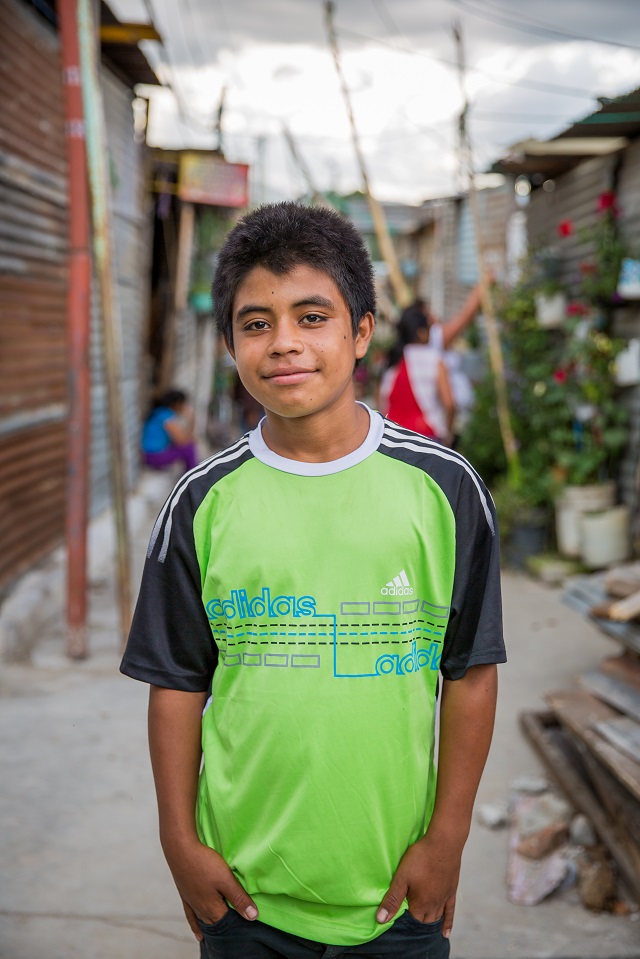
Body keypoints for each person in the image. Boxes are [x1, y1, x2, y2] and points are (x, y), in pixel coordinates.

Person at [120, 202, 505, 959]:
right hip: (242, 889)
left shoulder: (445, 488)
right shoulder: (202, 500)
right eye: (256, 323)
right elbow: (176, 683)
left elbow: (471, 672)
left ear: (361, 332)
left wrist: (449, 837)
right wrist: (178, 840)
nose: (284, 342)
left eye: (311, 315)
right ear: (229, 342)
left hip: (396, 891)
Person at [380, 309, 454, 444]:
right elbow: (449, 404)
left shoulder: (393, 360)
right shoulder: (434, 359)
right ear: (421, 332)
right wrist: (448, 433)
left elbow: (382, 402)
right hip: (426, 437)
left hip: (392, 437)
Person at [141, 388, 198, 474]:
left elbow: (184, 437)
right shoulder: (165, 415)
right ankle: (192, 477)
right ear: (177, 403)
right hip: (154, 457)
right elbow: (182, 441)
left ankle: (190, 475)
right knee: (189, 448)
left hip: (151, 456)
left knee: (188, 445)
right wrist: (191, 420)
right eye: (183, 404)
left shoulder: (160, 412)